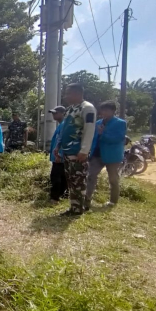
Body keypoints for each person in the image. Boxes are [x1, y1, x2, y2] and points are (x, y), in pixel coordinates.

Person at [53, 83, 96, 216]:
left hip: (78, 152)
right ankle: (74, 207)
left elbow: (90, 130)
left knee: (78, 181)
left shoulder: (87, 108)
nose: (66, 96)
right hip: (67, 150)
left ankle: (78, 209)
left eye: (68, 93)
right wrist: (58, 146)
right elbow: (64, 129)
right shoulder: (70, 109)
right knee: (71, 180)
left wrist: (84, 150)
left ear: (77, 93)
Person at [85, 100, 127, 209]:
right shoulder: (98, 123)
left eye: (107, 110)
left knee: (113, 178)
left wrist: (103, 134)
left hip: (112, 155)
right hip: (96, 154)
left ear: (113, 111)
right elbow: (94, 138)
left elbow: (118, 138)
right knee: (90, 176)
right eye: (102, 110)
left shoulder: (120, 123)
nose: (104, 112)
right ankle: (86, 200)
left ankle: (113, 201)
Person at [47, 105, 67, 204]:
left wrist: (60, 154)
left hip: (59, 156)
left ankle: (55, 197)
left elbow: (63, 141)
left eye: (56, 113)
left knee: (56, 176)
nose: (54, 115)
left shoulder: (64, 125)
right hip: (58, 155)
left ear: (63, 113)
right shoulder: (61, 124)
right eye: (53, 113)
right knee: (63, 176)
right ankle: (63, 195)